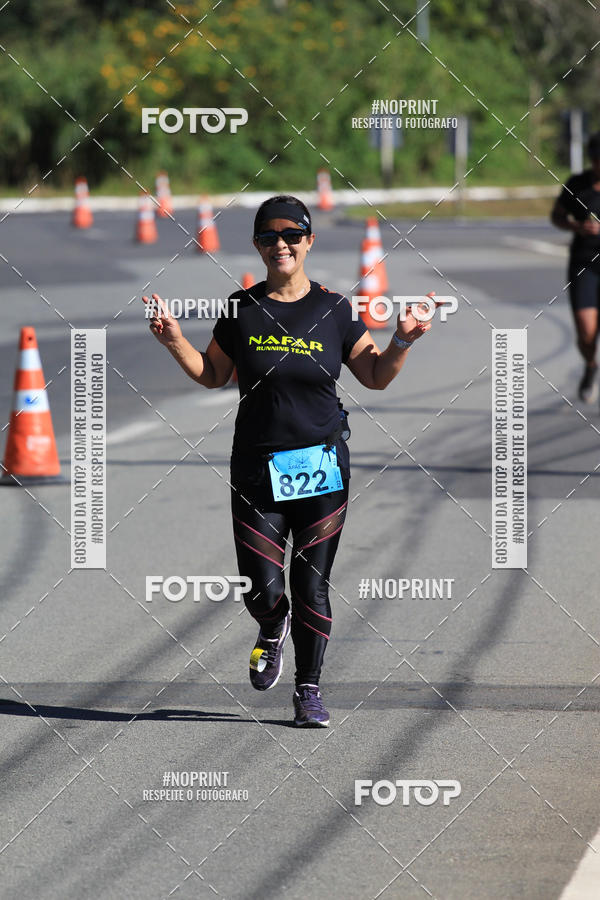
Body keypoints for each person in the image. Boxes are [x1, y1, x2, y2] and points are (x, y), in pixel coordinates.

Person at [143, 194, 438, 727]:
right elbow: (213, 374)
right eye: (269, 237)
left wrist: (402, 339)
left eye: (292, 235)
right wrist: (174, 342)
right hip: (256, 468)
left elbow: (375, 375)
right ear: (257, 246)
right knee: (262, 586)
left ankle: (308, 690)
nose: (281, 245)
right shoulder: (241, 308)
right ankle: (270, 624)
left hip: (323, 467)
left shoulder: (335, 309)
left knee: (311, 584)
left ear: (309, 242)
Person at [551, 131, 600, 403]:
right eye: (596, 160)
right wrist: (576, 226)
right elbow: (557, 215)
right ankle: (591, 366)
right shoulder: (577, 185)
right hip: (584, 264)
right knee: (586, 331)